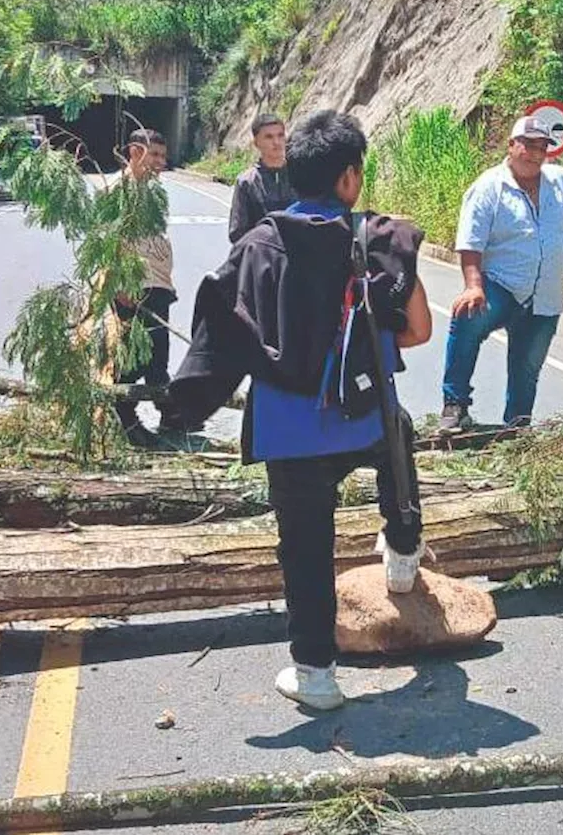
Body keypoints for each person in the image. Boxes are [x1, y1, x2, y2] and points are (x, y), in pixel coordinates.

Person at [163, 109, 433, 710]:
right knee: (399, 438)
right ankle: (403, 554)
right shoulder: (381, 238)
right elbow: (417, 331)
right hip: (362, 412)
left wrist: (184, 408)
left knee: (306, 549)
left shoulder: (256, 246)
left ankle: (315, 675)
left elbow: (217, 342)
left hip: (288, 429)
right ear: (348, 178)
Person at [440, 116, 563, 432]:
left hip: (546, 294)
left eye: (542, 147)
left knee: (527, 366)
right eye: (528, 145)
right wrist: (473, 286)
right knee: (467, 319)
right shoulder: (489, 187)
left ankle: (517, 427)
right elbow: (470, 242)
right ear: (512, 146)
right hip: (501, 285)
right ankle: (455, 406)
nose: (535, 153)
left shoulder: (561, 182)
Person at [114, 128, 176, 445]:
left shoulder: (152, 191)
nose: (161, 162)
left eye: (163, 156)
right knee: (135, 361)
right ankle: (124, 419)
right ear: (135, 152)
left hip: (157, 286)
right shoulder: (120, 191)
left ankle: (171, 419)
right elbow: (106, 241)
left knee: (158, 359)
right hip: (133, 291)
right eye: (154, 155)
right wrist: (119, 286)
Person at [228, 114, 296, 244]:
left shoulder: (300, 175)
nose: (276, 142)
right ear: (256, 143)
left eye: (280, 135)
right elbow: (237, 232)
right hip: (262, 258)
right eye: (268, 137)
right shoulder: (247, 182)